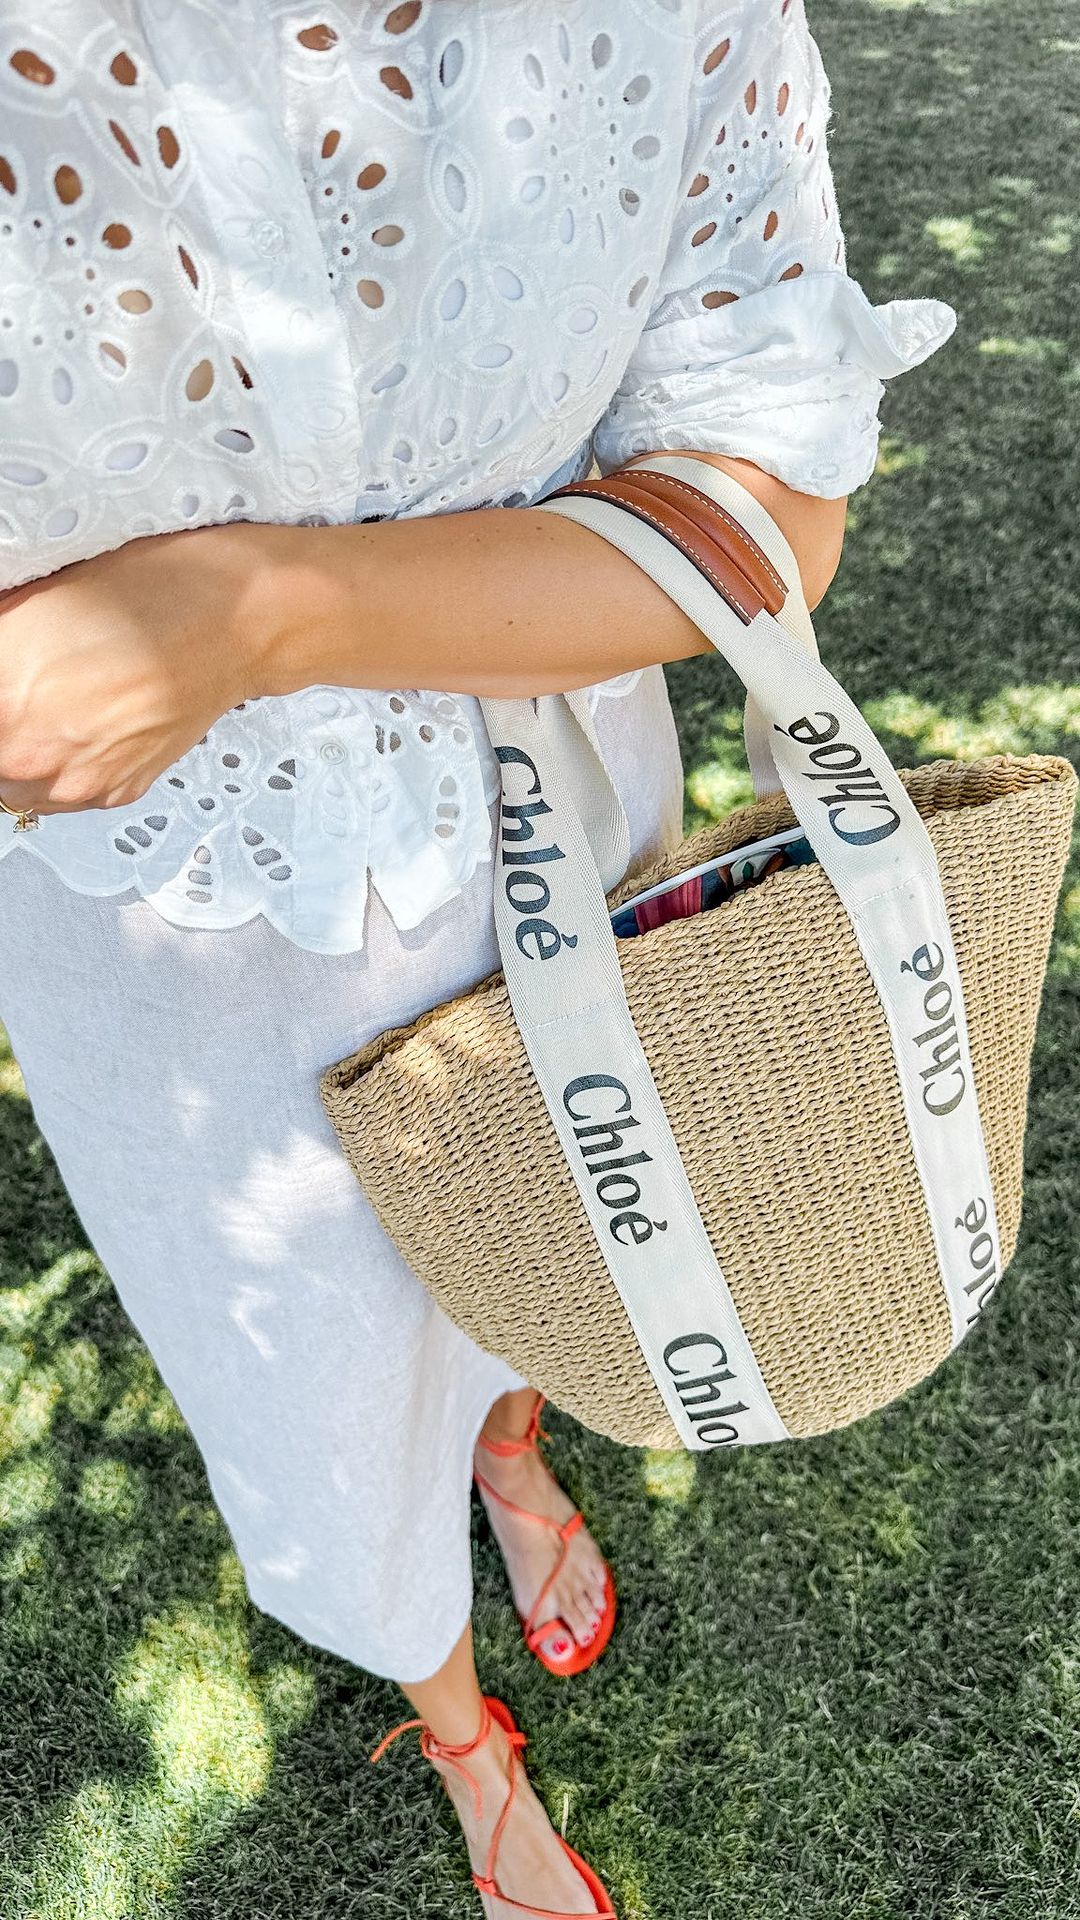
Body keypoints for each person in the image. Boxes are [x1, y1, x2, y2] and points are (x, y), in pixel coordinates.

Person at [0, 2, 955, 1912]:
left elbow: (769, 490)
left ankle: (516, 1450)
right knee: (317, 1392)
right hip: (171, 931)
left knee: (575, 1235)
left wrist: (250, 617)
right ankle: (457, 1729)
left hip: (556, 792)